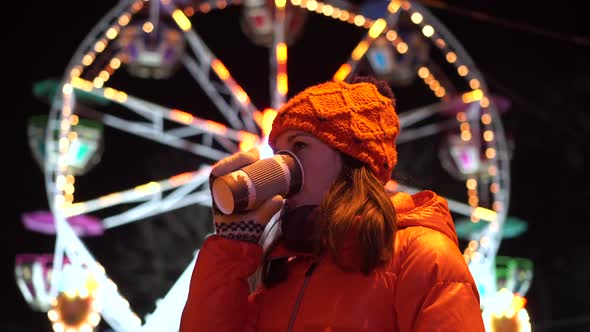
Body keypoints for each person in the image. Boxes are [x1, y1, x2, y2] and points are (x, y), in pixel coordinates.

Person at [179, 76, 485, 331]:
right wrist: (229, 250)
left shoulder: (421, 256)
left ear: (353, 160)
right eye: (277, 151)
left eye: (299, 145)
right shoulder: (286, 269)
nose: (282, 164)